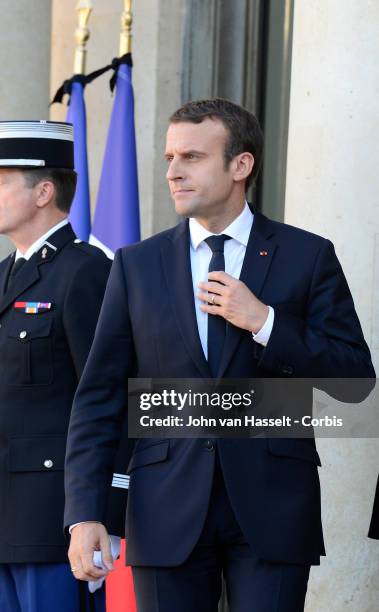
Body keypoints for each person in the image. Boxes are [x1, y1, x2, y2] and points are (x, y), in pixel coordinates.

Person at [64, 99, 376, 612]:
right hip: (163, 507)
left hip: (274, 506)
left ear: (240, 165)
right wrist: (86, 513)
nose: (173, 172)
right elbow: (98, 397)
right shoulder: (136, 265)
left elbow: (355, 382)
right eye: (169, 158)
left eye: (191, 157)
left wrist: (266, 323)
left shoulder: (307, 255)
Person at [0, 120, 122, 612]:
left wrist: (101, 514)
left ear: (44, 191)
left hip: (57, 518)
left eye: (1, 178)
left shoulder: (85, 271)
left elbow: (109, 394)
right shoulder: (1, 276)